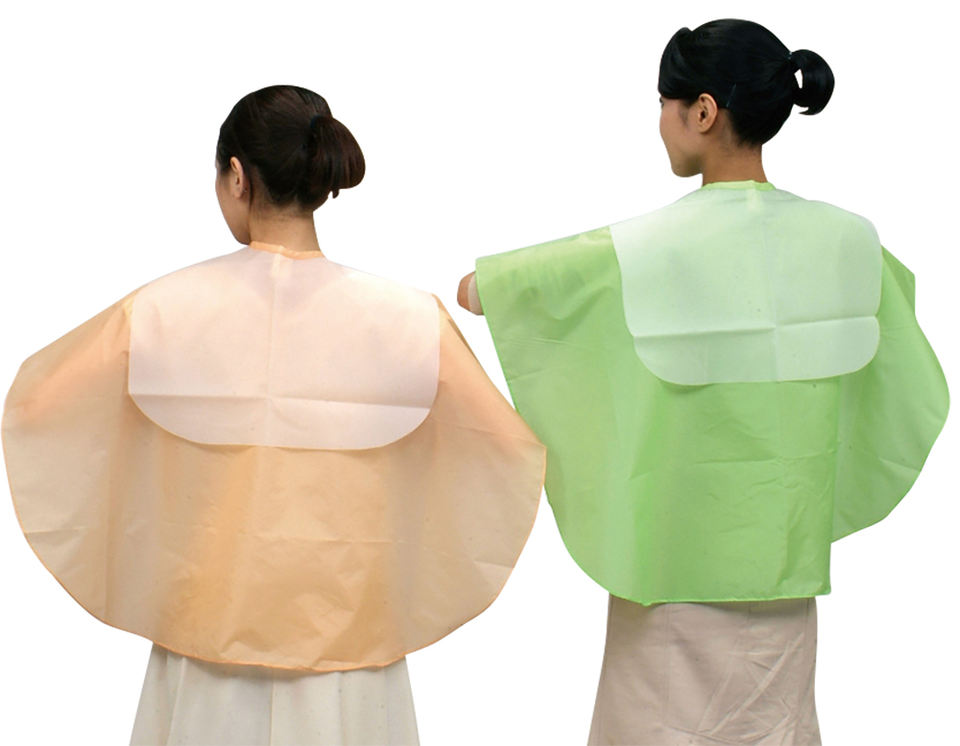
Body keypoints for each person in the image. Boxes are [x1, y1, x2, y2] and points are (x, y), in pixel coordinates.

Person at [3, 84, 545, 745]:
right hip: (352, 652)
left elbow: (37, 407)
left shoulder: (161, 309)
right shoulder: (410, 320)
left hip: (206, 647)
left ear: (237, 176)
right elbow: (506, 448)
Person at [458, 19, 948, 745]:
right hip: (786, 574)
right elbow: (908, 378)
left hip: (670, 580)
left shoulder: (644, 249)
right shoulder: (851, 240)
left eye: (664, 101)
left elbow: (478, 292)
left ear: (704, 110)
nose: (660, 119)